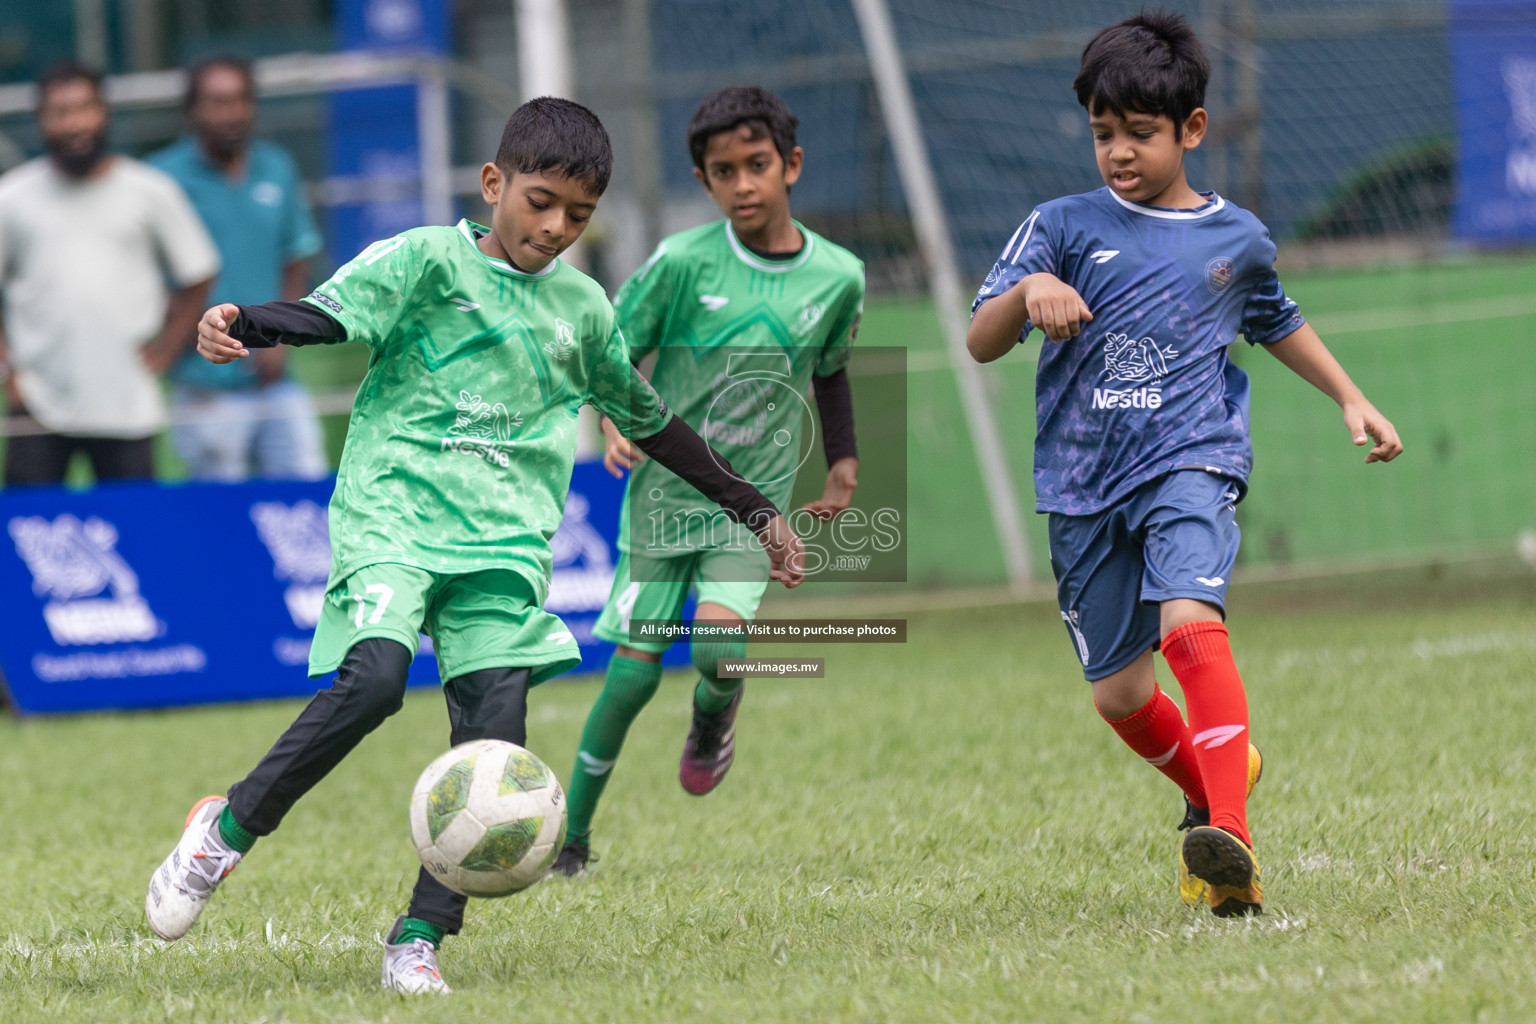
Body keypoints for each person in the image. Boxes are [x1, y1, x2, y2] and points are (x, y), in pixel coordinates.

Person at [143, 97, 806, 994]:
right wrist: (247, 324)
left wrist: (755, 509)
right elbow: (333, 315)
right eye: (540, 201)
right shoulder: (426, 260)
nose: (555, 227)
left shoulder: (583, 309)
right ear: (494, 183)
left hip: (503, 547)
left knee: (493, 748)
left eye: (578, 215)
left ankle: (419, 936)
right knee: (374, 678)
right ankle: (223, 836)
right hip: (396, 518)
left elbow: (650, 422)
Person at [967, 12, 1402, 918]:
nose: (1118, 152)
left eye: (1139, 133)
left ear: (1191, 130)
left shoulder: (1234, 238)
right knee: (1121, 696)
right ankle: (1217, 775)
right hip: (1083, 484)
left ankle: (1229, 841)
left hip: (1190, 459)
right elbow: (980, 339)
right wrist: (1026, 292)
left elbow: (1275, 317)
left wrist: (1350, 396)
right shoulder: (1058, 225)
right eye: (1102, 133)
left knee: (1190, 623)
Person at [552, 86, 865, 876]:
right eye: (723, 172)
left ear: (790, 165)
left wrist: (843, 460)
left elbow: (830, 371)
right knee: (627, 677)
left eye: (757, 165)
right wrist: (615, 418)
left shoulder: (840, 276)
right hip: (662, 498)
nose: (744, 185)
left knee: (722, 649)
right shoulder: (684, 264)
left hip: (750, 508)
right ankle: (573, 839)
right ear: (705, 182)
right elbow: (609, 346)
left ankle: (713, 718)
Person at [0, 61, 218, 485]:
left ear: (105, 112)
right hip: (36, 404)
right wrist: (7, 369)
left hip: (128, 403)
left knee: (137, 535)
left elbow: (198, 272)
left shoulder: (150, 190)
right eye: (60, 111)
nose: (74, 123)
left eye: (85, 108)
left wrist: (167, 349)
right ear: (42, 120)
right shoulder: (12, 197)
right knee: (28, 536)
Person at [149, 55, 328, 482]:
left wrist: (282, 337)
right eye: (215, 102)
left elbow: (295, 254)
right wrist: (169, 344)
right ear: (192, 111)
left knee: (306, 502)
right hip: (204, 384)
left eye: (238, 101)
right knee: (220, 521)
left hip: (273, 377)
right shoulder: (162, 179)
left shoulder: (276, 167)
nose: (229, 113)